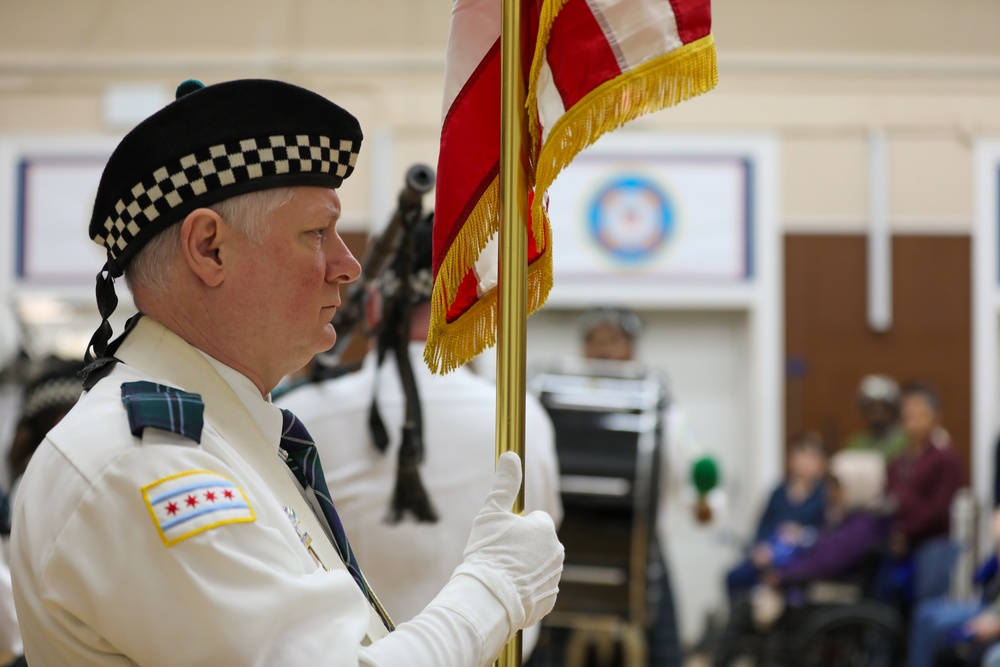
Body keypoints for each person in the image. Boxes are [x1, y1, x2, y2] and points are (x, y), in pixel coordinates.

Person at [9, 78, 564, 666]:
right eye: (316, 234)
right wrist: (493, 590)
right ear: (210, 249)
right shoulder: (144, 464)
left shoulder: (216, 440)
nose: (347, 266)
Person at [276, 213, 563, 652]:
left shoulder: (297, 416)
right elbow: (539, 542)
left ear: (372, 307)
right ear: (466, 308)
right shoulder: (521, 416)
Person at [712, 450, 888, 667]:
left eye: (837, 486)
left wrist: (783, 576)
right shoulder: (842, 518)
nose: (831, 493)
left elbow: (825, 564)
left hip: (829, 595)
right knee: (742, 592)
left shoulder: (861, 527)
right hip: (813, 587)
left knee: (744, 608)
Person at [882, 380, 964, 606]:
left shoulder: (945, 458)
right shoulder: (899, 460)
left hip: (932, 543)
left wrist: (907, 531)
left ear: (935, 416)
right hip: (900, 544)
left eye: (919, 414)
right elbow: (889, 497)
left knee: (926, 607)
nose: (911, 421)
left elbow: (938, 508)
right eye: (907, 414)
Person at [724, 432, 829, 601]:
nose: (803, 461)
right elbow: (763, 526)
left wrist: (800, 535)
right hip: (769, 555)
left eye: (810, 456)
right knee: (734, 577)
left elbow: (826, 533)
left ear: (821, 462)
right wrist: (761, 549)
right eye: (799, 454)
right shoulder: (778, 493)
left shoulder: (824, 496)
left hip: (801, 559)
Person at [845, 374, 908, 462]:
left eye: (884, 407)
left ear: (894, 408)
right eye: (872, 408)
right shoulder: (856, 443)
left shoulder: (907, 440)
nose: (878, 413)